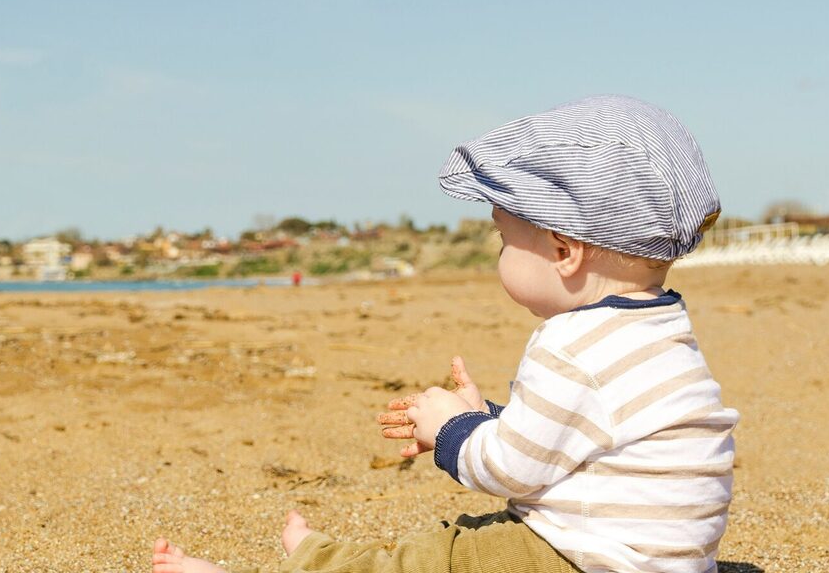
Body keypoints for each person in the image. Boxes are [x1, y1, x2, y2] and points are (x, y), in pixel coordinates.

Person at [152, 95, 738, 573]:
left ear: (563, 252)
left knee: (440, 557)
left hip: (584, 558)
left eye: (505, 237)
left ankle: (309, 565)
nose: (500, 252)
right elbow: (579, 436)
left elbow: (511, 470)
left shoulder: (570, 342)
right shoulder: (661, 326)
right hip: (658, 560)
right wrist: (489, 416)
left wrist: (450, 430)